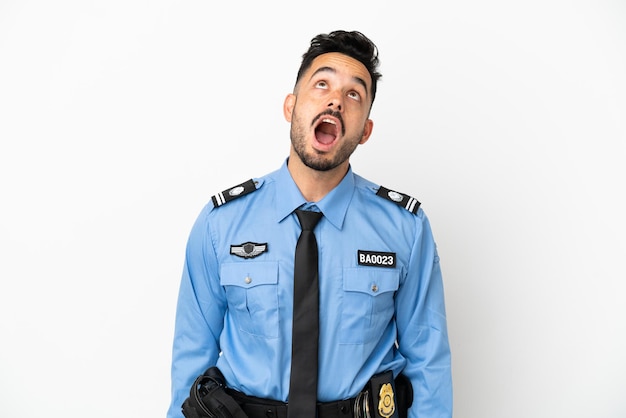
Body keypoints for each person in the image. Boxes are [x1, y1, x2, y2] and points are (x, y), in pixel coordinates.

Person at [167, 30, 452, 418]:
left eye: (354, 94)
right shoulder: (222, 224)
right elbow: (192, 359)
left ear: (365, 130)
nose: (336, 100)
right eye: (322, 84)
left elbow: (428, 363)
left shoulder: (405, 229)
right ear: (291, 106)